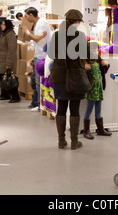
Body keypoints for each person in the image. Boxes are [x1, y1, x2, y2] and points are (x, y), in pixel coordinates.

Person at [48, 9, 89, 150]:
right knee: (75, 108)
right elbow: (86, 56)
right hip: (75, 76)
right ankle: (74, 142)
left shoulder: (57, 35)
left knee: (62, 107)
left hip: (59, 76)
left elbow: (52, 54)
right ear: (76, 22)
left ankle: (61, 141)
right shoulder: (81, 36)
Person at [24, 7, 51, 111]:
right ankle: (38, 104)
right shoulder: (39, 24)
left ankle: (41, 105)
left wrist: (27, 33)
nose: (26, 19)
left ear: (31, 15)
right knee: (36, 81)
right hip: (39, 55)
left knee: (39, 81)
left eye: (26, 16)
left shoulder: (42, 23)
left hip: (42, 56)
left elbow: (38, 39)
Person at [83, 42, 111, 139]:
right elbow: (82, 75)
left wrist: (106, 65)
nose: (94, 52)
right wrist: (85, 68)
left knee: (98, 107)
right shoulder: (86, 63)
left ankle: (100, 129)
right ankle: (86, 130)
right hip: (91, 89)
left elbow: (103, 71)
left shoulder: (98, 61)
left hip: (98, 88)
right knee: (89, 108)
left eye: (96, 50)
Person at [0, 20, 20, 103]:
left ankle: (15, 96)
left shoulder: (10, 34)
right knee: (2, 77)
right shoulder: (3, 35)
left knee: (9, 78)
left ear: (7, 25)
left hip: (8, 60)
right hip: (2, 60)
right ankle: (5, 95)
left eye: (3, 24)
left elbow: (12, 50)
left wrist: (8, 63)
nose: (1, 26)